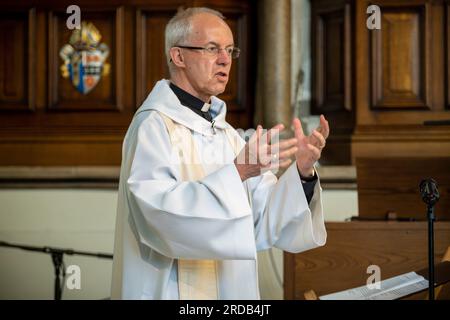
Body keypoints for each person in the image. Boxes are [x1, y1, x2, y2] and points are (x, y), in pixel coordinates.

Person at [111, 7, 329, 300]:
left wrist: (302, 173)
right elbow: (158, 216)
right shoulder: (153, 126)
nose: (225, 59)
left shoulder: (226, 135)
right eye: (212, 49)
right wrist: (237, 173)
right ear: (178, 56)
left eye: (229, 50)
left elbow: (264, 219)